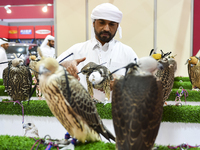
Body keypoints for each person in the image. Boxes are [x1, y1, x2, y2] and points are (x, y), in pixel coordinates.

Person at [57, 3, 138, 102]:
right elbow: (48, 68)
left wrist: (121, 83)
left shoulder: (127, 52)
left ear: (117, 26)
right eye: (102, 23)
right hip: (83, 112)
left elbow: (142, 82)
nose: (106, 28)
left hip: (117, 113)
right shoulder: (77, 49)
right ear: (93, 23)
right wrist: (67, 64)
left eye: (112, 24)